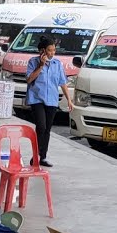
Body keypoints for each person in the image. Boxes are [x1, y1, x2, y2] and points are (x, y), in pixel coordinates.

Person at [25, 37, 73, 167]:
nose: (52, 53)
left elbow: (63, 83)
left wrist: (69, 100)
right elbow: (29, 80)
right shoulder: (33, 62)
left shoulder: (57, 64)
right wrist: (41, 65)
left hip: (51, 100)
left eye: (54, 50)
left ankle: (42, 157)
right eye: (49, 50)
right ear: (42, 51)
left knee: (47, 130)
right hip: (36, 98)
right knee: (41, 126)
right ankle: (36, 155)